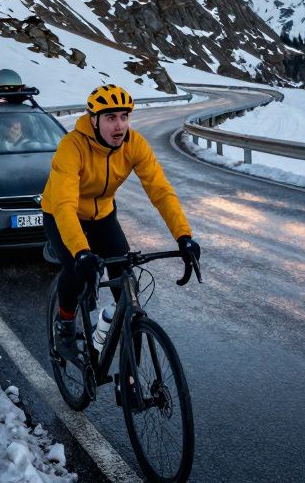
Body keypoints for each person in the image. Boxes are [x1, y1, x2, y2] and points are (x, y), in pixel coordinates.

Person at [41, 84, 201, 340]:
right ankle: (65, 321)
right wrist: (82, 252)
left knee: (126, 281)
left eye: (124, 117)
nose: (119, 126)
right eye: (110, 118)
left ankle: (128, 373)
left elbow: (160, 191)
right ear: (93, 120)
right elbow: (64, 205)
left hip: (103, 216)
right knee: (74, 269)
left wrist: (184, 236)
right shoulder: (72, 147)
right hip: (61, 214)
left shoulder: (134, 144)